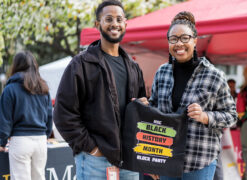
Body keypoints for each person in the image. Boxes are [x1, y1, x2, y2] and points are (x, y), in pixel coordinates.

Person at [53, 1, 146, 180]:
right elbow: (63, 114)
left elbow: (141, 108)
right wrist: (92, 148)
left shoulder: (134, 67)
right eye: (108, 19)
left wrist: (143, 106)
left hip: (129, 160)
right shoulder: (81, 64)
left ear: (125, 23)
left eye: (119, 19)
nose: (115, 24)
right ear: (98, 24)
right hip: (94, 161)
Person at [148, 11, 237, 180]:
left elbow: (231, 115)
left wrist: (205, 116)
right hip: (166, 158)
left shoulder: (214, 75)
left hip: (199, 161)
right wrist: (153, 160)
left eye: (184, 38)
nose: (179, 43)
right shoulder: (162, 73)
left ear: (195, 40)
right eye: (173, 39)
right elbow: (153, 114)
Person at [0, 51, 53, 180]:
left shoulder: (10, 89)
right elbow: (49, 117)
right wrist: (45, 136)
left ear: (16, 66)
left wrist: (2, 142)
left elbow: (5, 120)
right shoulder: (43, 89)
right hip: (40, 141)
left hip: (20, 141)